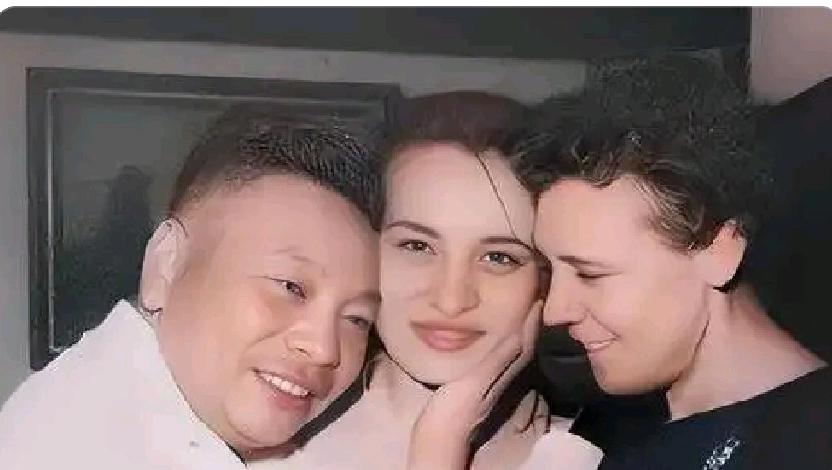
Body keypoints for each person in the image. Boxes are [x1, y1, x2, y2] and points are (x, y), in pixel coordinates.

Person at [408, 64, 831, 470]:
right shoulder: (618, 429)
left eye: (590, 274)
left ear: (719, 251)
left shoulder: (807, 446)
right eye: (552, 271)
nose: (555, 311)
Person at [0, 107, 383, 469]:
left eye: (357, 319)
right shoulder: (78, 445)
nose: (324, 349)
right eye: (291, 287)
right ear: (166, 264)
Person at [262, 92, 601, 470]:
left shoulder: (589, 457)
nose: (450, 300)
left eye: (499, 258)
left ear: (545, 280)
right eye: (417, 246)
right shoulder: (260, 433)